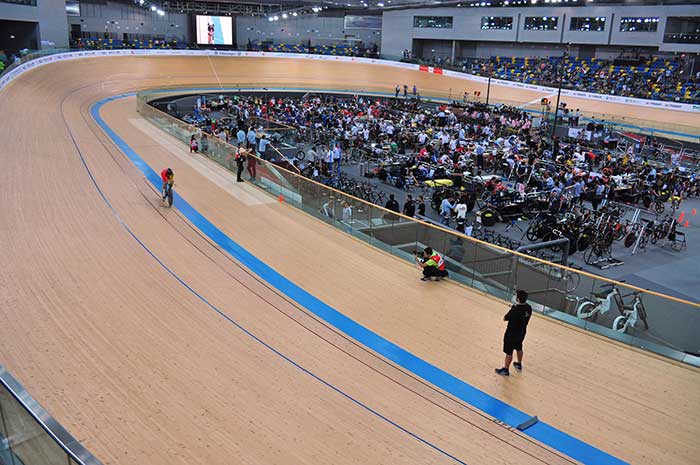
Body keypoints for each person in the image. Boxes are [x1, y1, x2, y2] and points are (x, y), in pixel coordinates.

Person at [495, 290, 532, 376]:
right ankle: (519, 364)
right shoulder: (529, 308)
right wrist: (515, 307)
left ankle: (506, 370)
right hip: (521, 332)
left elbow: (505, 318)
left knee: (509, 352)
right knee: (519, 347)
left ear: (518, 299)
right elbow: (521, 311)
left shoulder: (515, 310)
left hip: (511, 333)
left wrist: (512, 309)